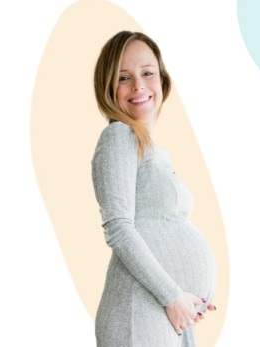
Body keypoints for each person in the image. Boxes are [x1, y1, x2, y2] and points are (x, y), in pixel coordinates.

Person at [91, 31, 218, 346]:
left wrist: (187, 301)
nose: (138, 85)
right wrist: (173, 295)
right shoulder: (119, 136)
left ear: (161, 80)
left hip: (166, 311)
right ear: (108, 88)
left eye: (147, 73)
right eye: (123, 78)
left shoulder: (153, 150)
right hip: (139, 310)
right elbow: (119, 228)